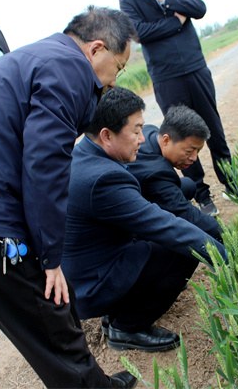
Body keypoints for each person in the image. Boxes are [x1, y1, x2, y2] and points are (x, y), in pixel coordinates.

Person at [0, 7, 137, 389]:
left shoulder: (39, 57)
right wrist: (52, 257)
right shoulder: (68, 67)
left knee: (45, 326)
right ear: (96, 49)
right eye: (118, 67)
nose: (114, 81)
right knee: (52, 319)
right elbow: (45, 163)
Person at [61, 87, 227, 353]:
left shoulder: (85, 154)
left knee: (177, 204)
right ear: (107, 135)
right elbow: (167, 226)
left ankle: (118, 311)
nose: (141, 138)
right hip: (90, 283)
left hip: (89, 262)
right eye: (135, 131)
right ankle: (126, 327)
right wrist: (224, 257)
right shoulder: (103, 178)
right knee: (182, 249)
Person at [119, 0, 233, 217]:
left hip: (196, 66)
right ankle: (202, 195)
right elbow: (139, 33)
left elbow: (199, 8)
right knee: (182, 137)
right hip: (165, 76)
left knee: (213, 128)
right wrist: (176, 21)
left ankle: (232, 183)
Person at [127, 105, 222, 242]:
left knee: (188, 185)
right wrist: (229, 236)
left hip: (143, 192)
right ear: (166, 140)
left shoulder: (151, 132)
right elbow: (190, 215)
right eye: (189, 151)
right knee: (187, 246)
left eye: (198, 151)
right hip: (127, 223)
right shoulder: (156, 172)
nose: (194, 158)